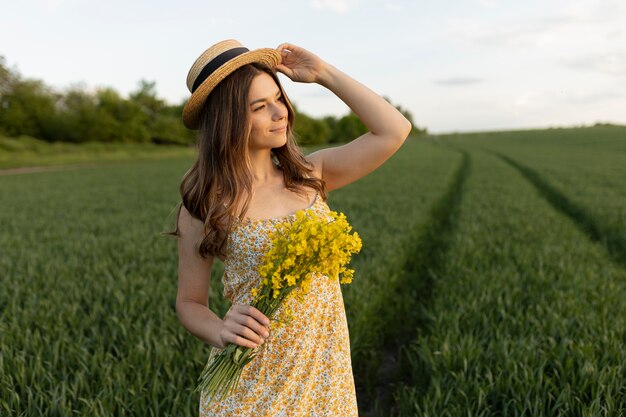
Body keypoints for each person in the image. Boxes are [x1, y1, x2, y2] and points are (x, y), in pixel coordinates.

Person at [171, 39, 411, 416]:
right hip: (248, 390)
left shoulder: (312, 176)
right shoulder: (204, 205)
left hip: (324, 383)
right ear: (227, 119)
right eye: (259, 107)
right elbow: (189, 303)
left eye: (278, 99)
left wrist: (324, 74)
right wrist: (220, 330)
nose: (279, 112)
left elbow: (393, 130)